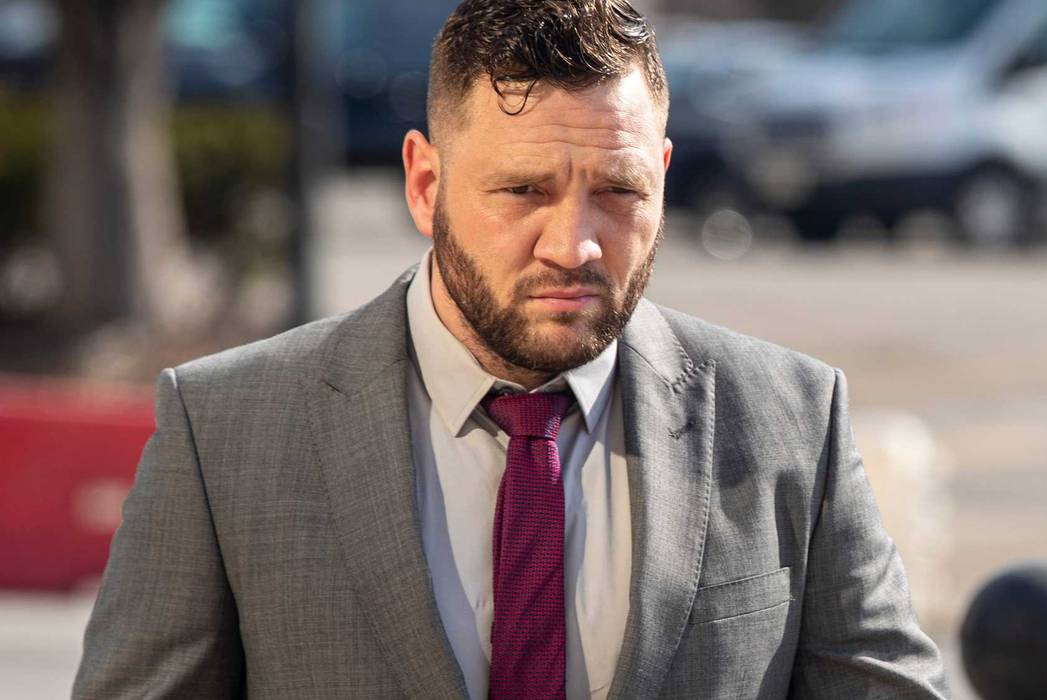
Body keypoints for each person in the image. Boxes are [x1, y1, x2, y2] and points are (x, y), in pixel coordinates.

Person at [74, 1, 948, 698]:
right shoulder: (225, 433)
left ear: (661, 176)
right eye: (524, 190)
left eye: (618, 191)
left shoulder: (794, 420)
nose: (574, 244)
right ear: (425, 184)